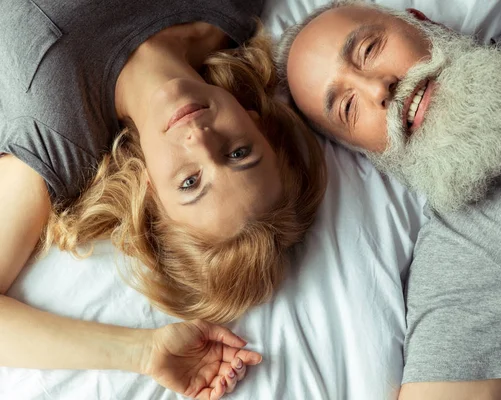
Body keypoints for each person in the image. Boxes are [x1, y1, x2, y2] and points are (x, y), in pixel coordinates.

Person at [0, 1, 326, 399]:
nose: (202, 140)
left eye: (190, 182)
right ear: (257, 124)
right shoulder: (235, 9)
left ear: (150, 189)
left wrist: (143, 352)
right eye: (239, 153)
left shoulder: (60, 134)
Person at [276, 0, 501, 399]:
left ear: (421, 22)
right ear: (369, 154)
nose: (378, 88)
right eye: (348, 107)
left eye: (369, 49)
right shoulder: (468, 261)